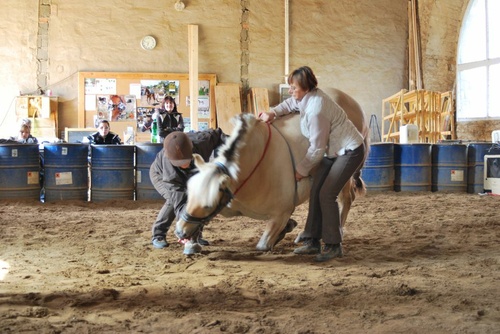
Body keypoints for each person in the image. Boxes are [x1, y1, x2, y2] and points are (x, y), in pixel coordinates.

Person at [259, 66, 366, 262]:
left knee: (327, 194)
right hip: (332, 150)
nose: (291, 91)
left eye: (294, 87)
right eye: (290, 86)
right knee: (316, 188)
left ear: (307, 88)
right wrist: (272, 113)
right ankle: (311, 240)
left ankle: (334, 245)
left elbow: (316, 148)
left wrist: (301, 170)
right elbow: (291, 103)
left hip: (349, 151)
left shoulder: (317, 108)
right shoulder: (306, 98)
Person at [149, 129, 225, 255]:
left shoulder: (202, 141)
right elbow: (180, 203)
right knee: (172, 201)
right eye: (179, 163)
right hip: (160, 175)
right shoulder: (169, 170)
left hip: (190, 174)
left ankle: (196, 236)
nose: (183, 164)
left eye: (185, 161)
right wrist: (184, 231)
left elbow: (218, 135)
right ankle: (158, 234)